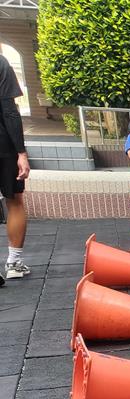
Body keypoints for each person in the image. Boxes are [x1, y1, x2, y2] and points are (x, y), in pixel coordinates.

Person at [0, 54, 30, 283]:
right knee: (14, 202)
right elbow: (9, 110)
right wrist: (21, 152)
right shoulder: (1, 63)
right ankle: (13, 263)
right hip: (3, 146)